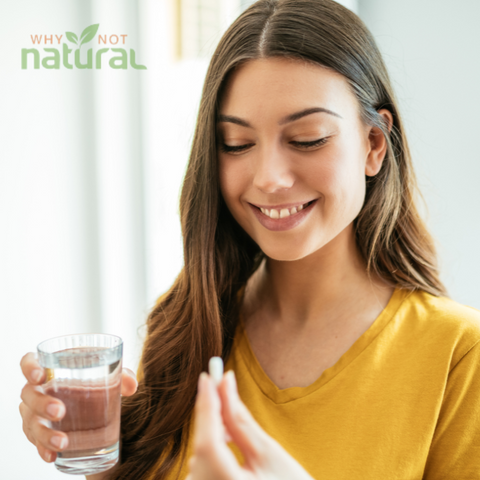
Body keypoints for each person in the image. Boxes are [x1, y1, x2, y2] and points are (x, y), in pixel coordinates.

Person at [19, 0, 480, 479]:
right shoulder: (184, 329)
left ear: (374, 145)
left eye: (307, 138)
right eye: (236, 144)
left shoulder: (459, 357)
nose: (270, 178)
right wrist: (99, 455)